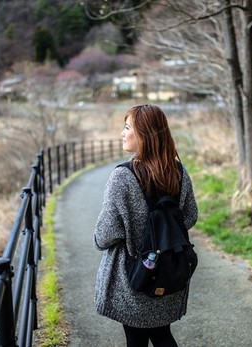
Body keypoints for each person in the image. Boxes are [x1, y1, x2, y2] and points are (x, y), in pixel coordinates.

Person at [93, 104, 198, 347]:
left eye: (128, 127)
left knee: (137, 339)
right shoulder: (178, 171)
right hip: (169, 272)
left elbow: (105, 235)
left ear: (146, 135)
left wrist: (133, 235)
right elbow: (190, 216)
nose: (122, 132)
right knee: (162, 334)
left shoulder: (123, 176)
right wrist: (162, 235)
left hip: (134, 278)